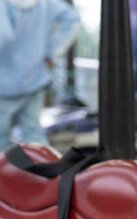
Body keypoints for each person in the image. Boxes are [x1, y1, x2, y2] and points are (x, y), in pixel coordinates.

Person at [0, 0, 80, 152]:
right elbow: (72, 18)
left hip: (4, 85)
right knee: (34, 135)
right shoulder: (45, 3)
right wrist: (52, 50)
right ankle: (44, 166)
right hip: (34, 79)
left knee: (1, 141)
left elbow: (3, 34)